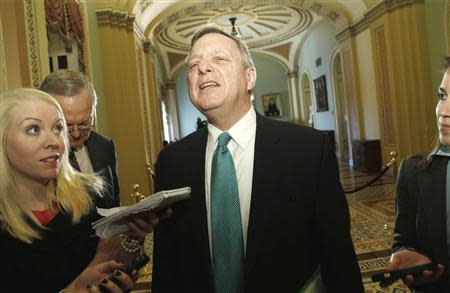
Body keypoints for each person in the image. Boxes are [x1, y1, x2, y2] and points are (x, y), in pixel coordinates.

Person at [152, 25, 363, 292]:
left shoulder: (308, 150)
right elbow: (167, 266)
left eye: (219, 59)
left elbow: (338, 258)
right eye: (194, 64)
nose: (202, 68)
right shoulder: (172, 161)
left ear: (250, 77)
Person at [0, 88, 153, 292]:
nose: (54, 142)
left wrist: (131, 242)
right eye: (34, 129)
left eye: (57, 128)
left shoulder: (93, 195)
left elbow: (109, 269)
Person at [381, 57, 450, 292]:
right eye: (442, 96)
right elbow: (403, 238)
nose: (443, 111)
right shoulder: (413, 173)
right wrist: (405, 254)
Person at [40, 70, 120, 208]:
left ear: (93, 113)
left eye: (84, 124)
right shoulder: (35, 156)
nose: (76, 134)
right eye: (67, 126)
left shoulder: (104, 147)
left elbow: (112, 204)